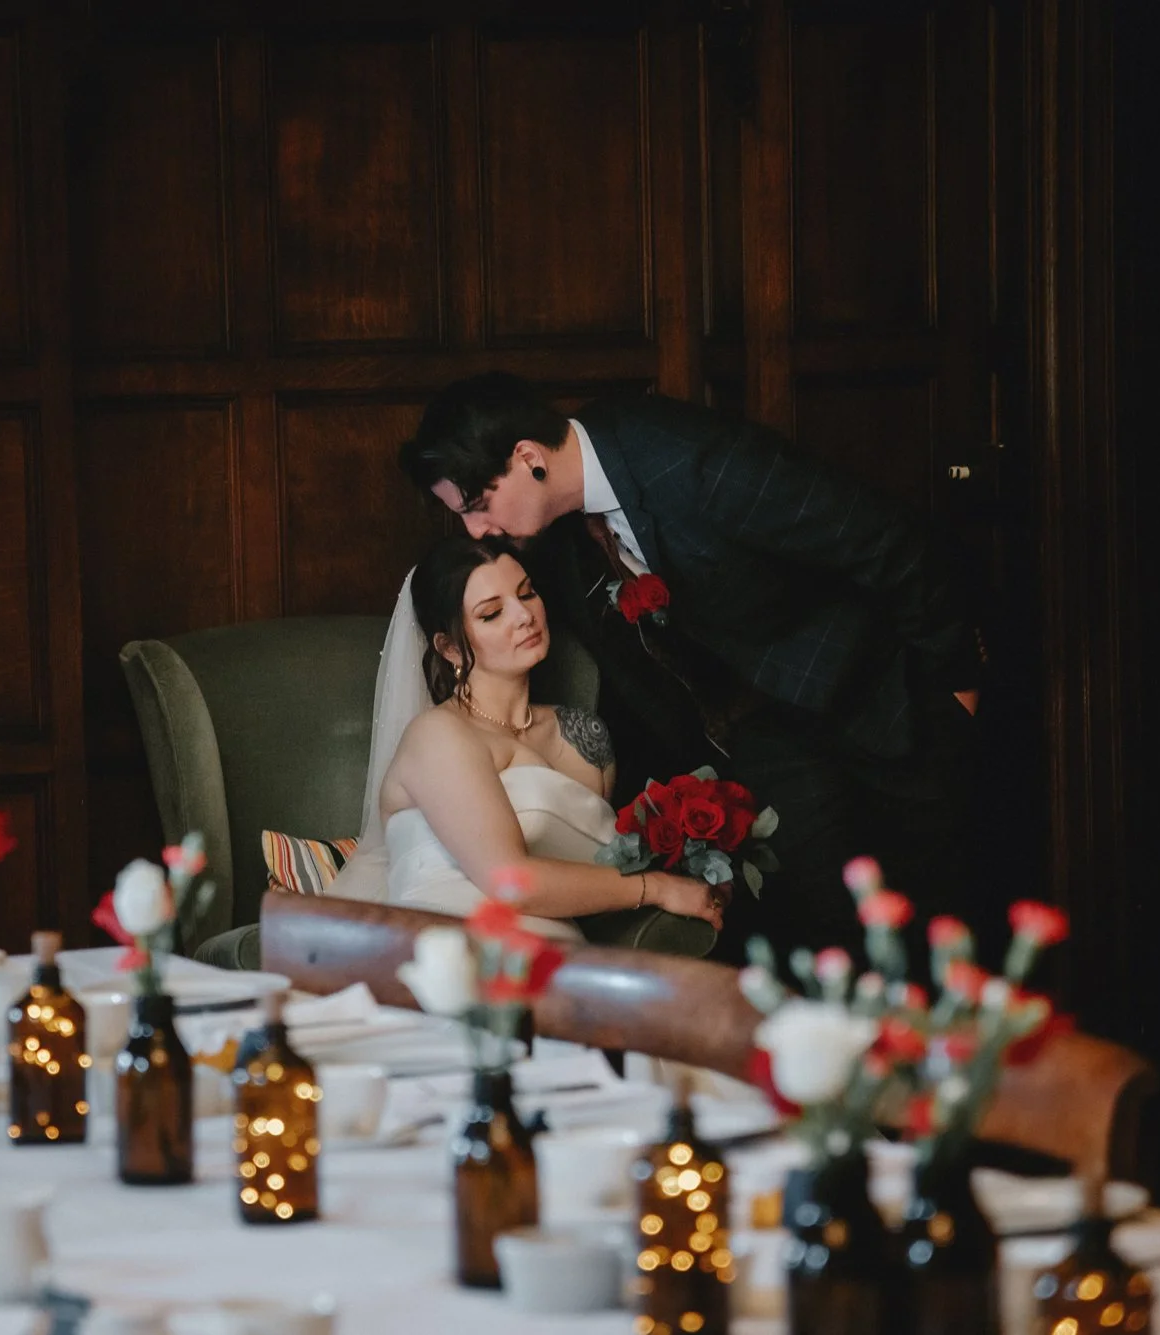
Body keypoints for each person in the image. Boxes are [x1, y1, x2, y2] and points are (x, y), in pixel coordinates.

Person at [397, 372, 981, 960]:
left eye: (477, 505)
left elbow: (885, 538)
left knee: (937, 924)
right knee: (828, 934)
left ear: (527, 457)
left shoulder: (688, 459)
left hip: (887, 699)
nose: (476, 528)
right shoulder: (553, 541)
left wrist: (958, 683)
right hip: (774, 739)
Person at [328, 533, 724, 942]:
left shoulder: (585, 738)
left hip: (561, 958)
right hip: (446, 955)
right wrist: (659, 888)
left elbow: (595, 878)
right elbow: (508, 880)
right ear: (449, 649)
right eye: (492, 613)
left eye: (527, 593)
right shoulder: (438, 734)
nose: (524, 615)